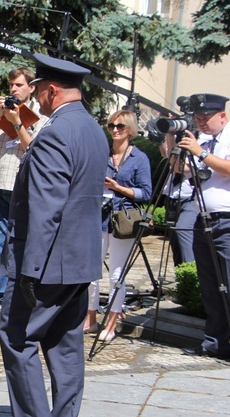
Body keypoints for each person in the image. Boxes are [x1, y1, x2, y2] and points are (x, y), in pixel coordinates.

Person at [0, 54, 108, 417]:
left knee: (18, 338)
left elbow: (46, 206)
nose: (36, 97)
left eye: (39, 90)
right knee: (64, 343)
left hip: (47, 261)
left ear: (52, 90)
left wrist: (29, 269)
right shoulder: (93, 129)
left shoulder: (56, 132)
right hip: (79, 260)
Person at [169, 94, 230, 369]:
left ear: (222, 116)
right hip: (203, 220)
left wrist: (200, 152)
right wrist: (172, 138)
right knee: (210, 286)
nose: (201, 123)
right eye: (197, 118)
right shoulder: (199, 140)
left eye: (205, 118)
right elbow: (179, 169)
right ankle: (215, 343)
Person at [0, 67, 48, 321]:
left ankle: (18, 296)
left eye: (18, 85)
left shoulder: (40, 114)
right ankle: (2, 298)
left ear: (31, 88)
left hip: (19, 185)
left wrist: (17, 121)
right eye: (11, 85)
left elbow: (31, 147)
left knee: (18, 243)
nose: (13, 89)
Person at [83, 110, 152, 341]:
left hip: (123, 221)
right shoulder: (103, 154)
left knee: (116, 275)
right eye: (111, 125)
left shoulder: (139, 158)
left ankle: (111, 323)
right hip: (98, 217)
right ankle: (90, 318)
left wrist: (118, 188)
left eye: (120, 126)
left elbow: (146, 193)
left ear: (130, 130)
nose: (114, 130)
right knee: (91, 274)